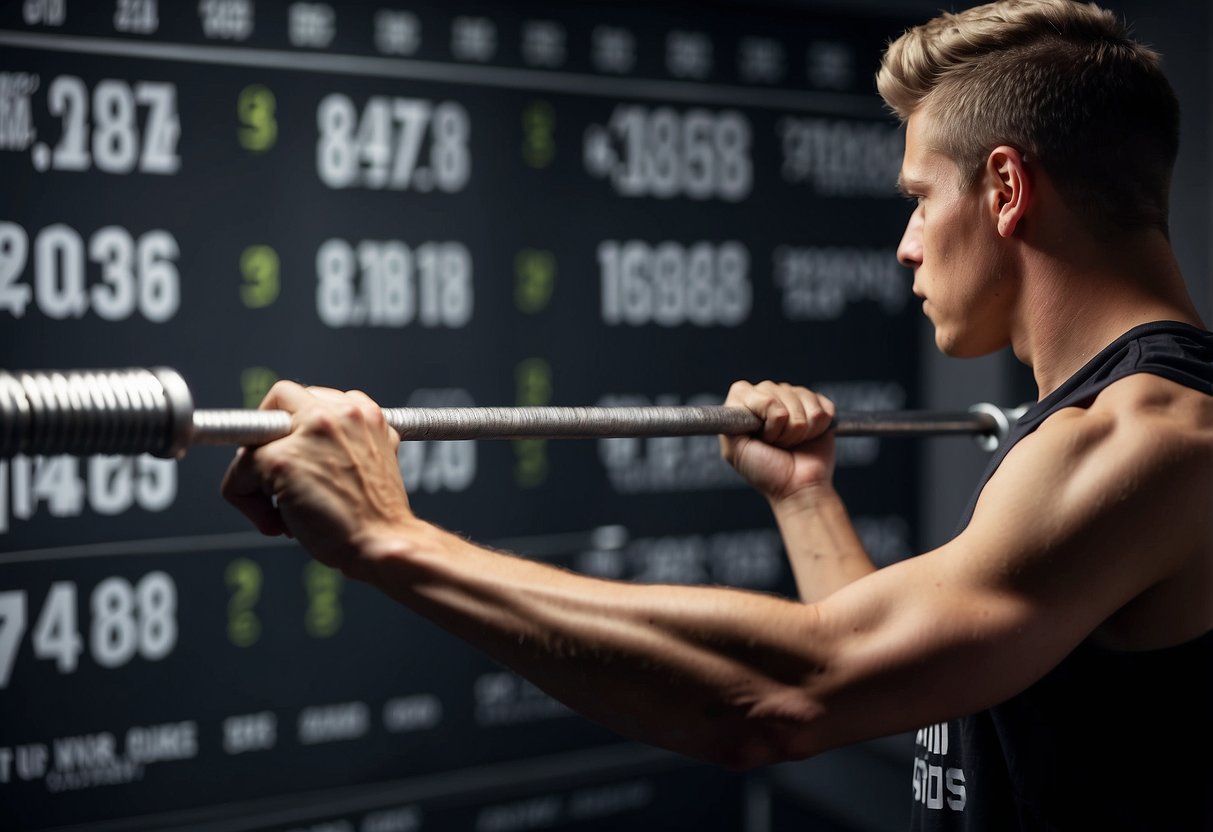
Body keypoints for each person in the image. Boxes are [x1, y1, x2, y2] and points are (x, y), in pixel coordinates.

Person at [223, 1, 1212, 828]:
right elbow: (879, 687)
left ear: (1003, 188)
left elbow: (787, 700)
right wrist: (803, 495)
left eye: (918, 199)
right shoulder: (1095, 431)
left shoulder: (1149, 439)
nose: (907, 247)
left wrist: (389, 537)